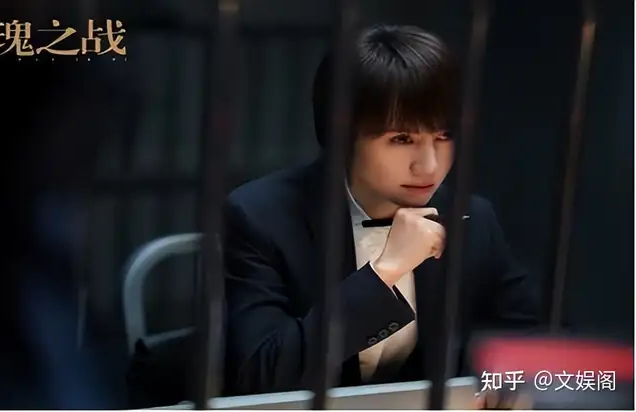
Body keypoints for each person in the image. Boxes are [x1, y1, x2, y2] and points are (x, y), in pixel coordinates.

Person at [221, 23, 541, 396]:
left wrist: (503, 382)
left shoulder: (470, 217)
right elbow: (260, 374)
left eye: (444, 136)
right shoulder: (259, 216)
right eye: (401, 139)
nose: (429, 166)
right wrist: (385, 271)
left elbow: (537, 333)